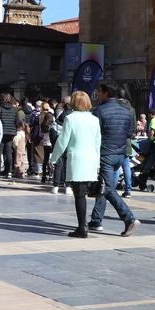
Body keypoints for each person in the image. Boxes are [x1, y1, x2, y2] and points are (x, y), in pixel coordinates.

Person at [47, 91, 102, 238]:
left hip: (77, 160)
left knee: (79, 195)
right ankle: (83, 226)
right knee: (83, 194)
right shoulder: (94, 119)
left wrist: (54, 158)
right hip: (91, 160)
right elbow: (98, 143)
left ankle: (82, 227)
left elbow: (62, 141)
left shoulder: (70, 119)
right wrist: (97, 163)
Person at [90, 84, 139, 235]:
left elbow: (95, 134)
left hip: (105, 154)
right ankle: (96, 220)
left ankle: (129, 218)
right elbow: (130, 133)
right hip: (120, 153)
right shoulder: (127, 111)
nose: (99, 95)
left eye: (100, 92)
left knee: (109, 189)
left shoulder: (100, 110)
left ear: (105, 93)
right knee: (103, 185)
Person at [0, 94, 22, 177]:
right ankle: (9, 171)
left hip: (1, 132)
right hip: (11, 132)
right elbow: (17, 122)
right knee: (9, 152)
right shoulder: (15, 110)